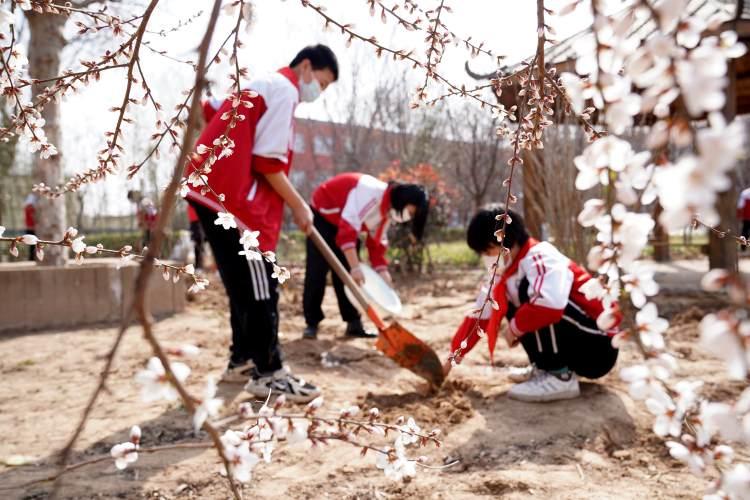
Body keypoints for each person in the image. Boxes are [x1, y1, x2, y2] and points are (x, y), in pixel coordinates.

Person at [184, 44, 338, 402]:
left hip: (213, 193)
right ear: (306, 66)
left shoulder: (262, 85)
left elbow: (212, 117)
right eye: (323, 83)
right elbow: (267, 162)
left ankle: (242, 360)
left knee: (243, 283)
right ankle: (269, 372)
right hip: (233, 199)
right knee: (260, 285)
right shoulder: (284, 90)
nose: (319, 92)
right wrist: (300, 205)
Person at [444, 205, 621, 402]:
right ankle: (545, 367)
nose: (485, 257)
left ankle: (559, 376)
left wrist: (514, 327)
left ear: (506, 240)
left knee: (536, 298)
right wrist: (452, 359)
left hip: (598, 346)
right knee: (507, 300)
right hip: (579, 342)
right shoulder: (503, 273)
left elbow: (551, 304)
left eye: (488, 250)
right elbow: (479, 317)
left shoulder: (540, 256)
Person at [302, 173, 429, 340]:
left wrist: (383, 272)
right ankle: (312, 323)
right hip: (323, 215)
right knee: (317, 271)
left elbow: (376, 244)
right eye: (411, 213)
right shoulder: (370, 193)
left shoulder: (386, 212)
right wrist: (355, 267)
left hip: (344, 223)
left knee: (349, 276)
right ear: (403, 200)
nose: (409, 218)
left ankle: (354, 323)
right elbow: (347, 230)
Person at [187, 203, 205, 269]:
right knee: (197, 246)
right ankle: (198, 265)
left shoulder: (195, 204)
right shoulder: (191, 205)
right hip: (195, 224)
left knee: (199, 246)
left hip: (198, 224)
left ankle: (200, 265)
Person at [23, 193, 37, 261]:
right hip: (32, 227)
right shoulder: (30, 209)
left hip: (29, 227)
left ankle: (32, 257)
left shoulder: (26, 208)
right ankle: (32, 258)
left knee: (32, 244)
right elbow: (33, 218)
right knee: (33, 244)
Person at [738, 187, 750, 252]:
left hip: (746, 217)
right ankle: (743, 246)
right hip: (747, 217)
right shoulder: (745, 193)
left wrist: (740, 215)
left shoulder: (745, 193)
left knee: (745, 231)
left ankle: (743, 247)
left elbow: (740, 205)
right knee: (745, 231)